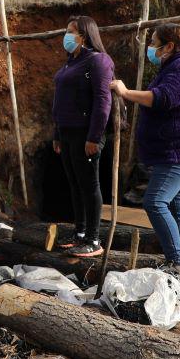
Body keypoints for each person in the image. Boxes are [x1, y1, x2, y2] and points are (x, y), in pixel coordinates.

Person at [110, 23, 180, 279]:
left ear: (169, 46)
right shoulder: (176, 64)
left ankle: (177, 264)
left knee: (154, 201)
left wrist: (125, 92)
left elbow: (164, 98)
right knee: (178, 205)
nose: (150, 49)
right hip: (178, 149)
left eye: (153, 43)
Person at [51, 16, 115, 257]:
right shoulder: (71, 61)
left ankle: (94, 239)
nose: (66, 36)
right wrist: (57, 133)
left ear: (84, 35)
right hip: (66, 133)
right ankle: (79, 233)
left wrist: (94, 137)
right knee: (75, 184)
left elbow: (102, 102)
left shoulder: (98, 61)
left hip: (85, 134)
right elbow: (60, 102)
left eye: (70, 31)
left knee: (89, 185)